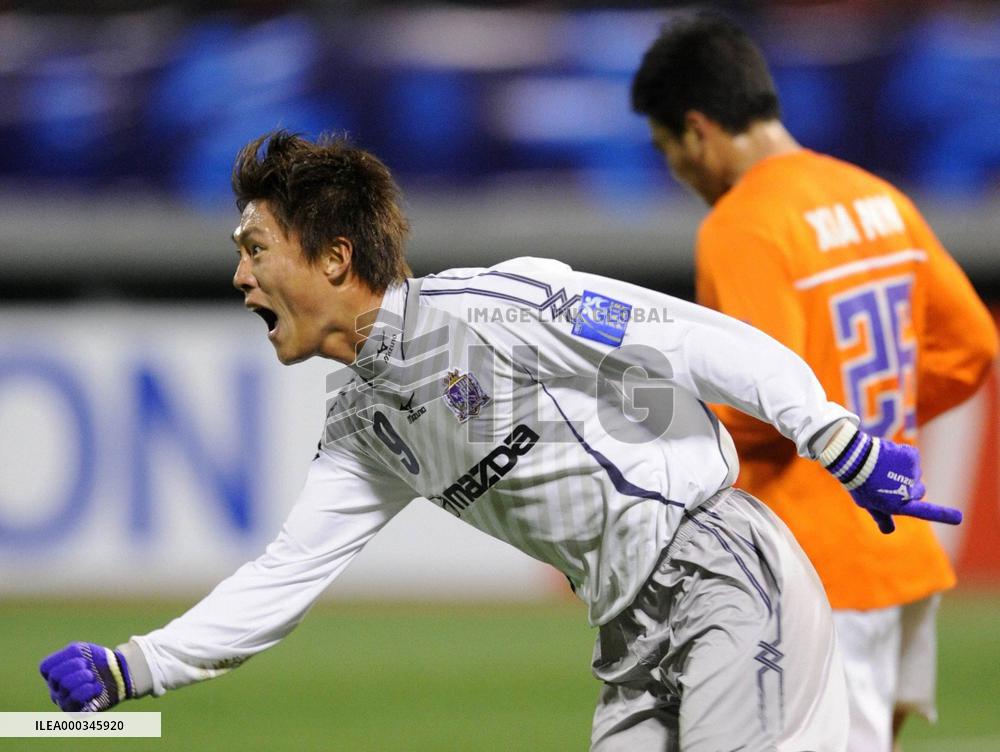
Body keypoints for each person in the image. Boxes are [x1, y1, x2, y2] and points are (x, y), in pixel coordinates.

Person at [39, 131, 963, 752]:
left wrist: (833, 438)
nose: (240, 276)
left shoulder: (493, 307)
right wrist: (135, 666)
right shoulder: (362, 424)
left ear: (334, 257)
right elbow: (284, 576)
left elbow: (690, 339)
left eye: (255, 248)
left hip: (719, 572)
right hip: (628, 635)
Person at [631, 12, 999, 751]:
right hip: (898, 546)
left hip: (809, 561)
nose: (681, 174)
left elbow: (759, 409)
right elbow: (972, 347)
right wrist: (865, 421)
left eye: (670, 153)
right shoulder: (876, 198)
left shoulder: (745, 224)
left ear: (698, 131)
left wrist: (657, 446)